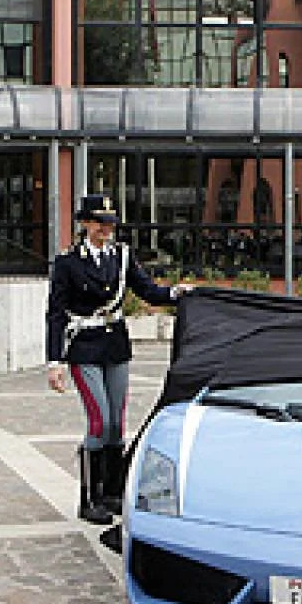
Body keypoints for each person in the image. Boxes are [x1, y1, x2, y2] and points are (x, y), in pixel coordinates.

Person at [46, 195, 194, 525]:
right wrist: (54, 361)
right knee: (99, 421)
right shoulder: (68, 262)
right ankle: (89, 498)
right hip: (84, 346)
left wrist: (175, 293)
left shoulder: (122, 256)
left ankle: (111, 491)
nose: (106, 229)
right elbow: (55, 314)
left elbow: (147, 291)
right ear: (85, 224)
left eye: (110, 223)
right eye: (99, 223)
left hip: (114, 345)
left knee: (116, 423)